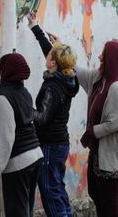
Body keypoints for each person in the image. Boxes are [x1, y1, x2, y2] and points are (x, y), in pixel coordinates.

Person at [0, 53, 43, 217]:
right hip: (35, 157)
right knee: (26, 210)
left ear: (6, 71)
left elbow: (4, 138)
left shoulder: (4, 97)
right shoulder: (23, 93)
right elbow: (3, 118)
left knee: (17, 212)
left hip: (19, 163)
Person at [28, 14, 79, 217]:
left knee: (49, 190)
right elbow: (51, 52)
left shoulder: (53, 87)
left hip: (49, 144)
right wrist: (36, 28)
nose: (46, 57)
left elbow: (42, 118)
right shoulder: (67, 79)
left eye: (50, 57)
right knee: (56, 187)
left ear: (54, 64)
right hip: (60, 143)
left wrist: (23, 108)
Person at [75, 40, 118, 217]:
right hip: (98, 151)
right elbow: (73, 70)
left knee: (109, 200)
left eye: (104, 55)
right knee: (97, 195)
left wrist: (92, 131)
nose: (100, 57)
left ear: (112, 59)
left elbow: (117, 123)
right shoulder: (100, 80)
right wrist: (56, 47)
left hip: (110, 152)